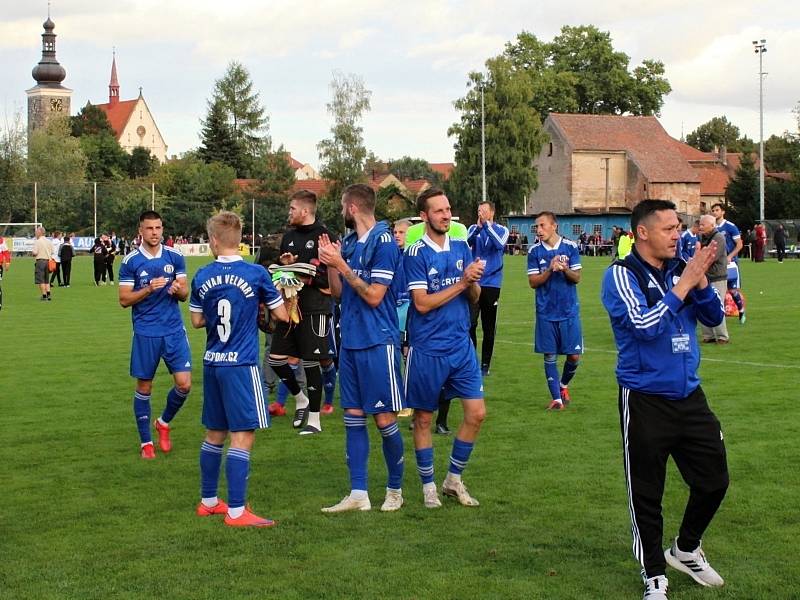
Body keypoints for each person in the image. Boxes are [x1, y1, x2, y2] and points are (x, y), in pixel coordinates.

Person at [601, 199, 728, 600]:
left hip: (689, 394)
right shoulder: (621, 275)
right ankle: (655, 574)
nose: (678, 234)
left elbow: (711, 318)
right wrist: (684, 284)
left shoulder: (681, 268)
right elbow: (643, 326)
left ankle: (686, 549)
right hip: (644, 398)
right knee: (647, 492)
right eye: (669, 228)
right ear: (643, 232)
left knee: (714, 480)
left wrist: (701, 280)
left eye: (679, 227)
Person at [190, 211, 289, 528]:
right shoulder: (256, 274)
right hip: (242, 364)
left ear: (214, 240)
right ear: (241, 240)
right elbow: (282, 316)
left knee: (214, 433)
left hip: (213, 362)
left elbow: (197, 320)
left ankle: (208, 502)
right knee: (243, 436)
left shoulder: (202, 275)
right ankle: (235, 511)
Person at [317, 183, 406, 513]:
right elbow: (339, 292)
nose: (341, 211)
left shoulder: (384, 241)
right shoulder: (351, 243)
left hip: (378, 340)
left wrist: (342, 265)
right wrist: (330, 262)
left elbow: (374, 296)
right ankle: (358, 494)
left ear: (352, 207)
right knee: (353, 417)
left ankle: (395, 490)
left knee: (384, 419)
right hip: (351, 341)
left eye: (342, 205)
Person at [404, 187, 486, 508]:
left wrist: (473, 280)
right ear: (424, 216)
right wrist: (462, 283)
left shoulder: (461, 246)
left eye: (448, 209)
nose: (446, 214)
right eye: (438, 211)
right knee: (424, 418)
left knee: (476, 414)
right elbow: (422, 304)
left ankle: (453, 479)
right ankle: (428, 486)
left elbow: (475, 297)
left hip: (460, 345)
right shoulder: (415, 254)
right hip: (427, 348)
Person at [118, 210, 192, 459]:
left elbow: (185, 294)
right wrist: (148, 289)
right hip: (146, 332)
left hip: (173, 330)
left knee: (184, 384)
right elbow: (124, 300)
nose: (155, 233)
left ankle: (163, 422)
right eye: (149, 229)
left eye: (158, 228)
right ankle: (146, 443)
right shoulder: (130, 261)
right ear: (141, 231)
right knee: (145, 386)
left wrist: (177, 290)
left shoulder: (175, 256)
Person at [266, 189, 332, 435]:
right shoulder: (289, 237)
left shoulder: (325, 236)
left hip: (315, 310)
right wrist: (286, 265)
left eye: (292, 208)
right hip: (291, 308)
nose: (289, 212)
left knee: (311, 362)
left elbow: (329, 278)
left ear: (305, 211)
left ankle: (314, 421)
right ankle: (300, 398)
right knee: (275, 359)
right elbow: (287, 274)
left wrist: (304, 272)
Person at [526, 212, 582, 410]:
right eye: (536, 227)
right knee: (550, 355)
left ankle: (563, 385)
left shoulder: (571, 247)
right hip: (546, 312)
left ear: (554, 226)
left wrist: (565, 269)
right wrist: (550, 269)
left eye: (542, 226)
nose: (538, 230)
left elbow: (577, 278)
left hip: (568, 311)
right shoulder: (534, 252)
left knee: (574, 356)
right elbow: (533, 282)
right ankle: (556, 399)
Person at [467, 201, 509, 377]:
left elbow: (499, 245)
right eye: (479, 211)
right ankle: (471, 362)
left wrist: (487, 226)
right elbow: (466, 243)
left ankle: (485, 365)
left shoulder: (502, 230)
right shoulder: (473, 229)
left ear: (492, 212)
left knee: (488, 326)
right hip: (474, 282)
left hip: (492, 283)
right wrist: (478, 228)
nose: (481, 214)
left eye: (484, 211)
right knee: (470, 324)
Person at [710, 203, 745, 323]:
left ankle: (741, 311)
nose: (714, 212)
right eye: (713, 210)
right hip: (716, 265)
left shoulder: (730, 226)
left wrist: (730, 256)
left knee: (733, 291)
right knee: (716, 290)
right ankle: (720, 315)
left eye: (717, 210)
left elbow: (739, 244)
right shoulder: (712, 227)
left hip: (730, 264)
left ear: (723, 212)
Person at [697, 215, 729, 344]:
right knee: (703, 305)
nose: (700, 227)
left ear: (712, 225)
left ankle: (722, 336)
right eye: (700, 225)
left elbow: (712, 257)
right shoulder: (701, 237)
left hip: (717, 277)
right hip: (705, 276)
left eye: (703, 225)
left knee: (717, 305)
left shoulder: (718, 238)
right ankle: (708, 335)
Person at [31, 226, 53, 301]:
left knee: (41, 280)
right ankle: (49, 294)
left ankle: (44, 295)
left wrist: (33, 253)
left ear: (40, 232)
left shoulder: (37, 241)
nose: (36, 233)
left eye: (37, 231)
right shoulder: (49, 241)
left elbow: (35, 252)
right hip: (48, 261)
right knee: (47, 279)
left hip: (40, 261)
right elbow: (52, 251)